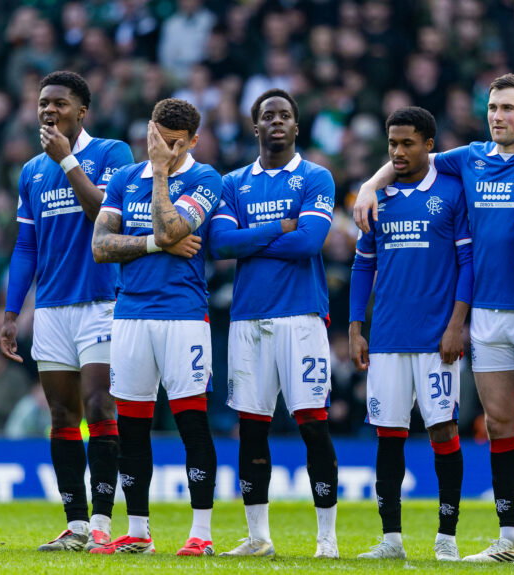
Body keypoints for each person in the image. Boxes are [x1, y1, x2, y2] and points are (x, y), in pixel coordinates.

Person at [353, 73, 514, 562]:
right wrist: (370, 184)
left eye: (508, 108)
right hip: (488, 314)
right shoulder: (470, 158)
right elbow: (410, 157)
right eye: (492, 107)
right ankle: (511, 534)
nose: (497, 116)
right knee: (499, 423)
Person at [0, 71, 133, 552]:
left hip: (102, 300)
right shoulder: (32, 171)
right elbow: (26, 248)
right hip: (52, 309)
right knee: (60, 415)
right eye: (42, 104)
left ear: (82, 111)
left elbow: (104, 215)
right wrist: (12, 312)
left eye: (59, 103)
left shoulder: (113, 155)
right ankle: (75, 524)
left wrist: (69, 160)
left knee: (100, 405)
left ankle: (103, 523)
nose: (48, 111)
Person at [208, 89, 339, 559]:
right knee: (252, 425)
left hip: (301, 317)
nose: (277, 122)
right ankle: (258, 537)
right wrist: (277, 228)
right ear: (256, 126)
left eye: (285, 115)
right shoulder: (233, 182)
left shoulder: (316, 176)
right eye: (268, 116)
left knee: (312, 423)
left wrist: (252, 239)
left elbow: (310, 242)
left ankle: (327, 538)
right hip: (249, 318)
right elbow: (221, 244)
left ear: (296, 126)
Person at [90, 98, 220, 556]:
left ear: (192, 142)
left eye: (171, 144)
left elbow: (173, 229)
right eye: (154, 137)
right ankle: (139, 531)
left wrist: (163, 174)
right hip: (130, 314)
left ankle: (201, 533)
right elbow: (102, 247)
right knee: (131, 427)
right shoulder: (125, 178)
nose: (158, 149)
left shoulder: (205, 178)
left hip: (182, 315)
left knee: (191, 424)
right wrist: (153, 243)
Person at [349, 107, 471, 561]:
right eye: (392, 144)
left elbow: (467, 264)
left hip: (436, 339)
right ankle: (391, 541)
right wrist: (356, 328)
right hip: (386, 340)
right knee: (388, 435)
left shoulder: (451, 193)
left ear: (429, 146)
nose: (398, 152)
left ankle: (447, 539)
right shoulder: (376, 198)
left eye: (407, 143)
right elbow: (364, 266)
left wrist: (457, 324)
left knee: (443, 431)